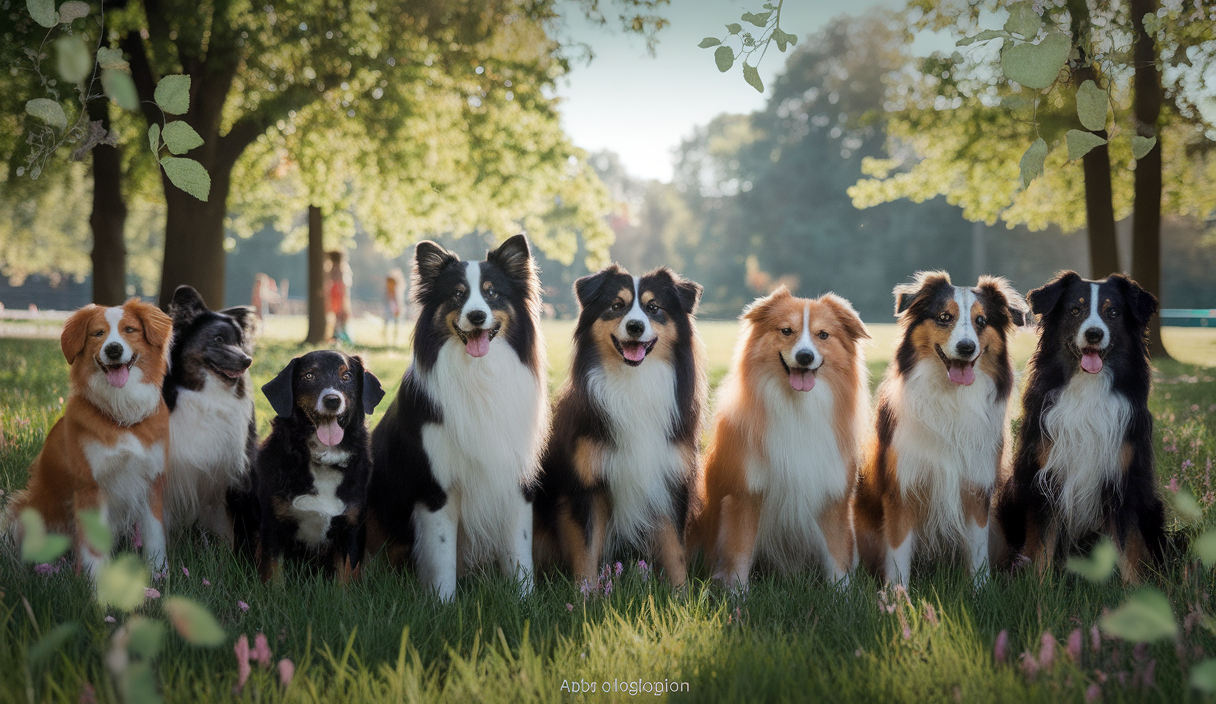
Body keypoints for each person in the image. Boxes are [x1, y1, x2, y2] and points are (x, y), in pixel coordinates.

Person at [326, 251, 353, 345]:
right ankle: (338, 336)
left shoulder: (336, 270)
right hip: (336, 295)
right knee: (338, 317)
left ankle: (340, 336)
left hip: (337, 296)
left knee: (339, 317)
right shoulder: (340, 269)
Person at [384, 268, 406, 346]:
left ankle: (394, 340)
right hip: (389, 309)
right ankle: (386, 338)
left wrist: (398, 310)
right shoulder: (388, 292)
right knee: (387, 322)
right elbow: (387, 301)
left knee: (396, 324)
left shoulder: (397, 292)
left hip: (396, 309)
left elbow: (398, 303)